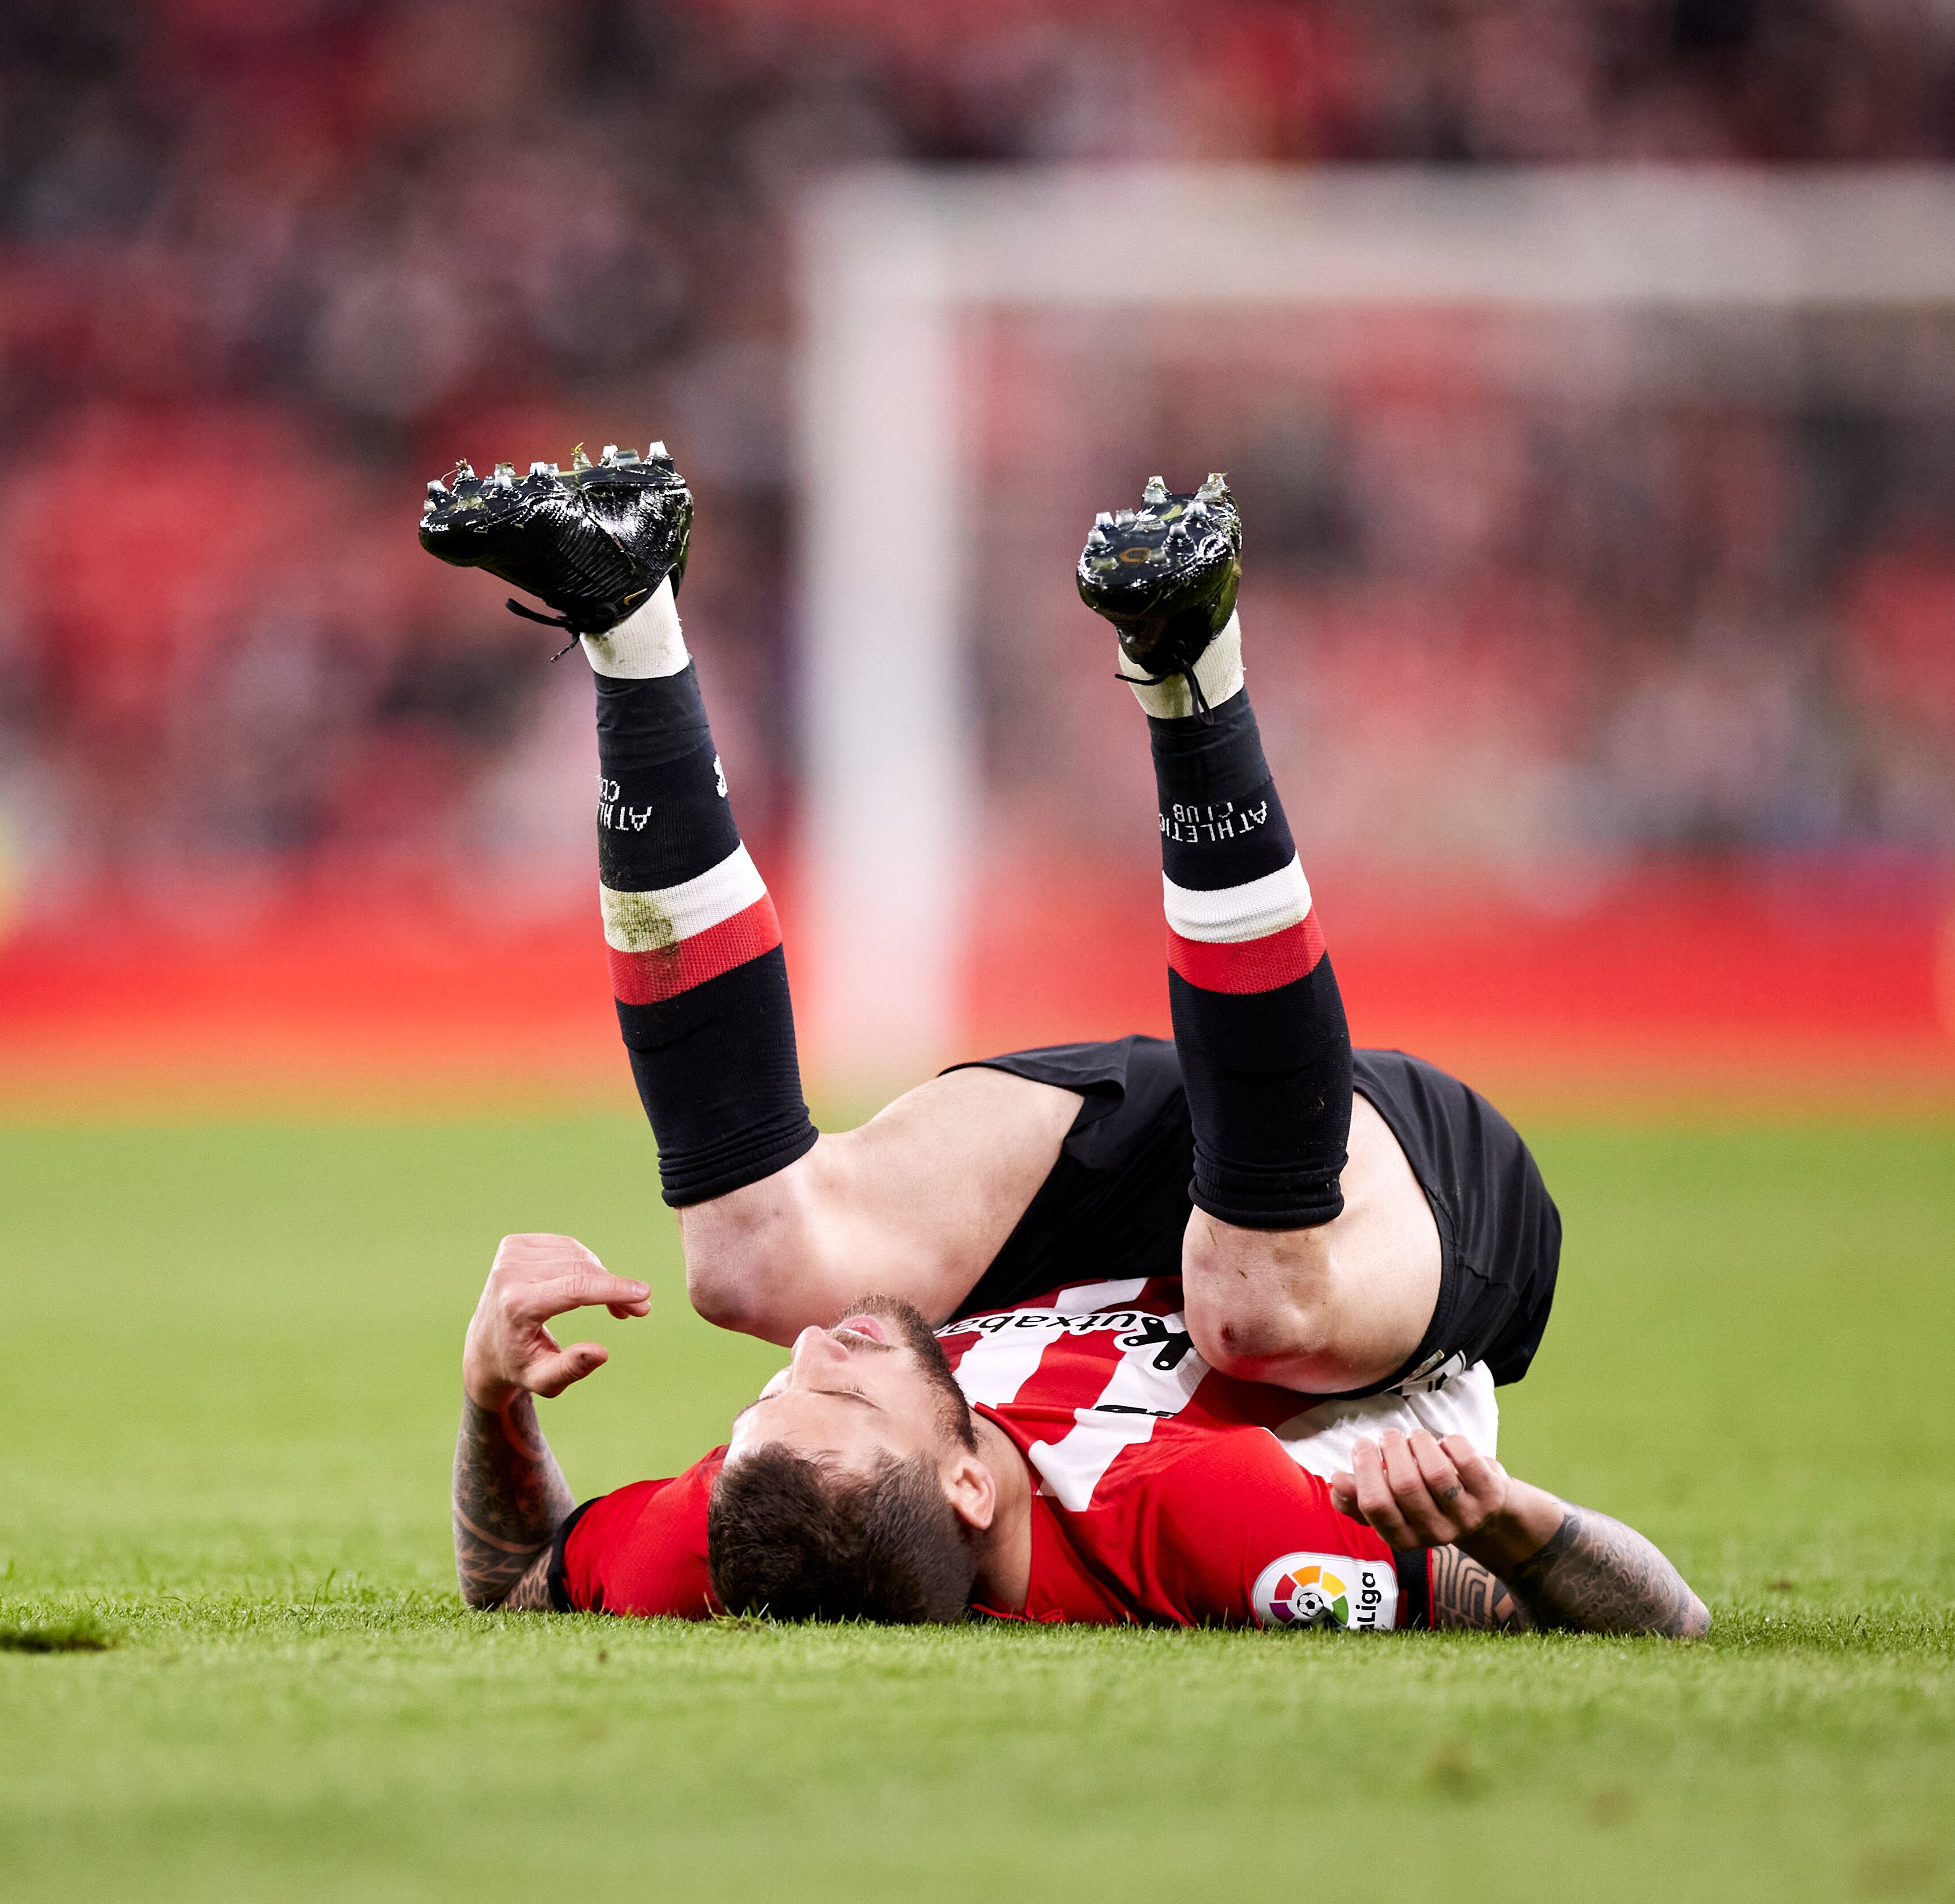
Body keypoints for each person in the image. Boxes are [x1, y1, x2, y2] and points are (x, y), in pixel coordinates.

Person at [419, 448, 1705, 1636]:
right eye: (850, 1395)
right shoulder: (1200, 1527)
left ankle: (625, 608)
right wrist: (1515, 1525)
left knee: (748, 1266)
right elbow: (1663, 1618)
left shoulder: (757, 1517)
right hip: (1390, 1199)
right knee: (1255, 1311)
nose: (818, 1357)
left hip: (1086, 1203)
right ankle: (1189, 670)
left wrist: (492, 1398)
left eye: (767, 1402)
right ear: (971, 1486)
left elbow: (523, 1575)